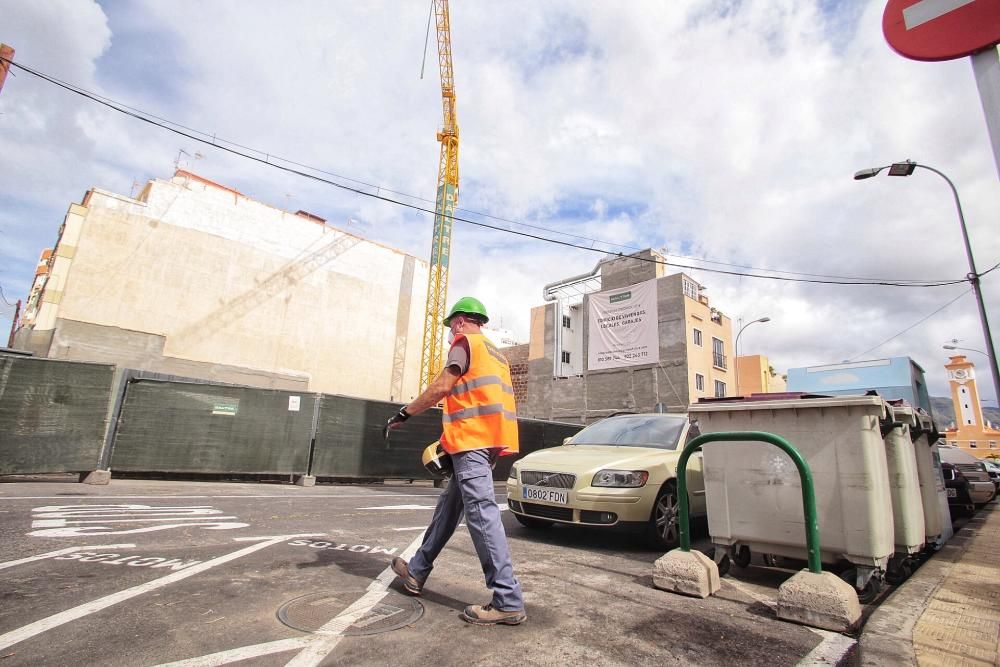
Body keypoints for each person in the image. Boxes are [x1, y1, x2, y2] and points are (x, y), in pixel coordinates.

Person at [384, 296, 525, 626]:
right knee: (450, 507)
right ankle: (416, 571)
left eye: (450, 327)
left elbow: (442, 387)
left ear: (460, 321)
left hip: (471, 440)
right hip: (489, 440)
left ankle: (507, 599)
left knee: (481, 513)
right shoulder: (496, 353)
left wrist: (405, 413)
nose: (449, 333)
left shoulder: (464, 343)